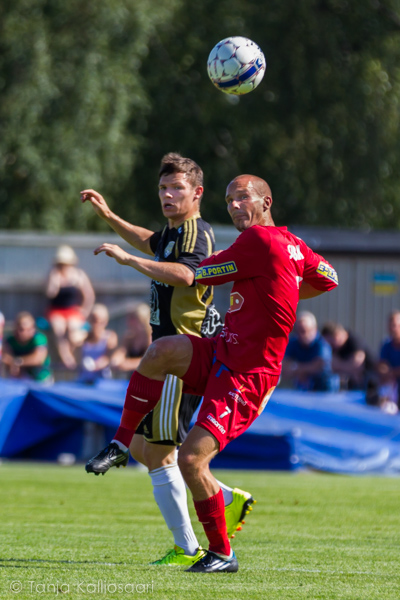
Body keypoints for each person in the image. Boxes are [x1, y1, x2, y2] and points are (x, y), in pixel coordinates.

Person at [85, 173, 338, 573]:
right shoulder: (293, 245)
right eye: (230, 200)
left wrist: (129, 260)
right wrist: (284, 285)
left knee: (185, 459)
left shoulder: (254, 240)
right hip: (223, 350)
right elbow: (329, 278)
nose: (235, 206)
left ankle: (220, 553)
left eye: (243, 198)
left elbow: (188, 275)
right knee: (161, 352)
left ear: (265, 203)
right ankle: (119, 444)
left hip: (247, 374)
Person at [80, 153, 254, 567]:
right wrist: (109, 215)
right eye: (163, 188)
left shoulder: (197, 232)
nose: (167, 195)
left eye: (176, 188)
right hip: (167, 354)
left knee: (157, 455)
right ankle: (225, 498)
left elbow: (187, 275)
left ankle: (188, 546)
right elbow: (148, 239)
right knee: (146, 448)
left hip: (182, 352)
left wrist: (132, 262)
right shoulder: (175, 231)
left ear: (197, 193)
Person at [45, 244, 95, 370]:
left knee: (74, 333)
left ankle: (67, 359)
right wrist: (55, 280)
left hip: (72, 311)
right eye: (61, 263)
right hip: (56, 311)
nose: (63, 266)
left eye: (65, 263)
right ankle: (68, 361)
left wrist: (85, 310)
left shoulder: (78, 275)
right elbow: (50, 294)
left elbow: (89, 295)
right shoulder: (53, 275)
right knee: (59, 330)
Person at [282, 311, 338, 392]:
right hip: (302, 391)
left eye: (304, 331)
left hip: (324, 391)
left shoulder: (322, 344)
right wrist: (305, 370)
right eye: (298, 331)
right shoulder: (293, 342)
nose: (301, 335)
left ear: (314, 329)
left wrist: (297, 369)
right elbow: (285, 367)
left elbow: (319, 366)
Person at [321, 321, 377, 392]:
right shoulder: (335, 348)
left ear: (337, 335)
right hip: (352, 381)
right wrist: (348, 368)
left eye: (332, 342)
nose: (330, 345)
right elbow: (332, 366)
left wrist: (340, 366)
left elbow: (357, 364)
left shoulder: (354, 340)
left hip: (371, 378)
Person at [2, 311, 53, 383]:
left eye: (29, 329)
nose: (26, 332)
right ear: (16, 328)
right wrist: (13, 364)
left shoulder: (39, 338)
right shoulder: (10, 340)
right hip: (19, 379)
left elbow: (38, 359)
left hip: (40, 379)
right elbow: (5, 357)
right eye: (22, 329)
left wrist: (17, 362)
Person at [76, 304, 118, 384]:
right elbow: (76, 352)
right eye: (92, 320)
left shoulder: (110, 336)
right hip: (83, 380)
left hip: (102, 381)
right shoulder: (84, 337)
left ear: (105, 322)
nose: (95, 324)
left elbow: (109, 357)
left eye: (97, 321)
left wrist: (96, 365)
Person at [111, 303, 152, 375]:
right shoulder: (128, 338)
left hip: (148, 380)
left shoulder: (150, 338)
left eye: (132, 318)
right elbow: (120, 353)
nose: (128, 322)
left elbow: (149, 361)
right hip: (132, 380)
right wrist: (115, 361)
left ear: (142, 320)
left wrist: (128, 364)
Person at [377, 310, 400, 412]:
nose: (392, 329)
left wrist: (392, 372)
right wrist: (385, 372)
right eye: (390, 326)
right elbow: (381, 365)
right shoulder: (386, 345)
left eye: (395, 325)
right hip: (392, 384)